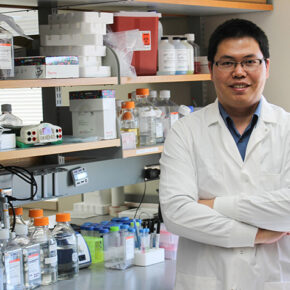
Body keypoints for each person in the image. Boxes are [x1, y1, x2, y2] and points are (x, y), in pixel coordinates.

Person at [159, 18, 290, 290]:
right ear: (211, 69)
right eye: (227, 62)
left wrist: (212, 205)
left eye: (249, 62)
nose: (239, 72)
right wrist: (255, 234)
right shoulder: (185, 132)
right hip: (207, 281)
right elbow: (176, 213)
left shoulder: (287, 129)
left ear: (267, 66)